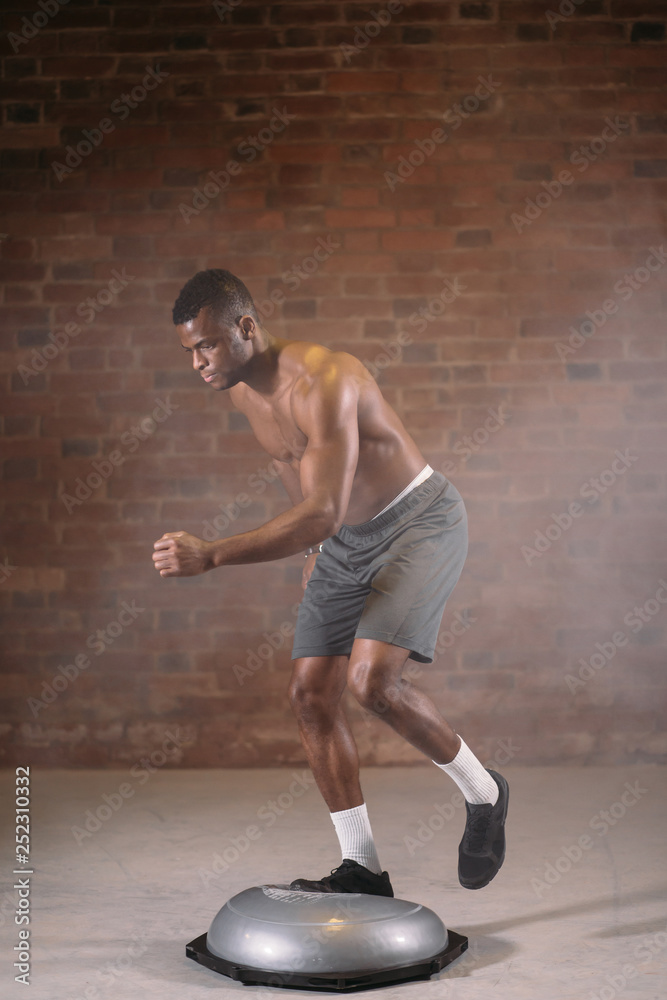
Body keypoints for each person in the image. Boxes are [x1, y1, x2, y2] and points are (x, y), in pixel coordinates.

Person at [152, 269, 508, 897]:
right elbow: (300, 475)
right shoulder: (242, 392)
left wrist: (211, 555)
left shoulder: (326, 378)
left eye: (207, 345)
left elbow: (321, 506)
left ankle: (485, 794)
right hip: (343, 538)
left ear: (246, 328)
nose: (198, 362)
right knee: (310, 694)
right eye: (189, 351)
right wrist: (320, 548)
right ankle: (363, 869)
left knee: (372, 683)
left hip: (416, 522)